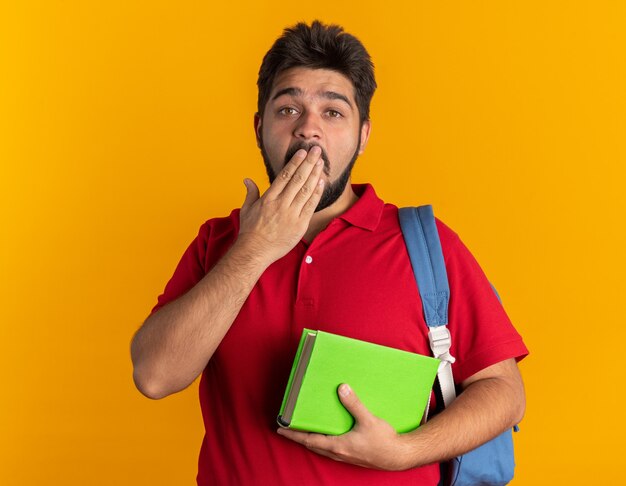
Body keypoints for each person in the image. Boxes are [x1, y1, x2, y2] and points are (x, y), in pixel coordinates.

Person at [131, 20, 528, 486]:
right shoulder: (218, 242)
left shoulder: (426, 243)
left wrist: (404, 452)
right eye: (287, 109)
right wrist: (255, 248)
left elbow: (504, 392)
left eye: (333, 112)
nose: (308, 129)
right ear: (260, 129)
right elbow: (154, 377)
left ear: (363, 135)